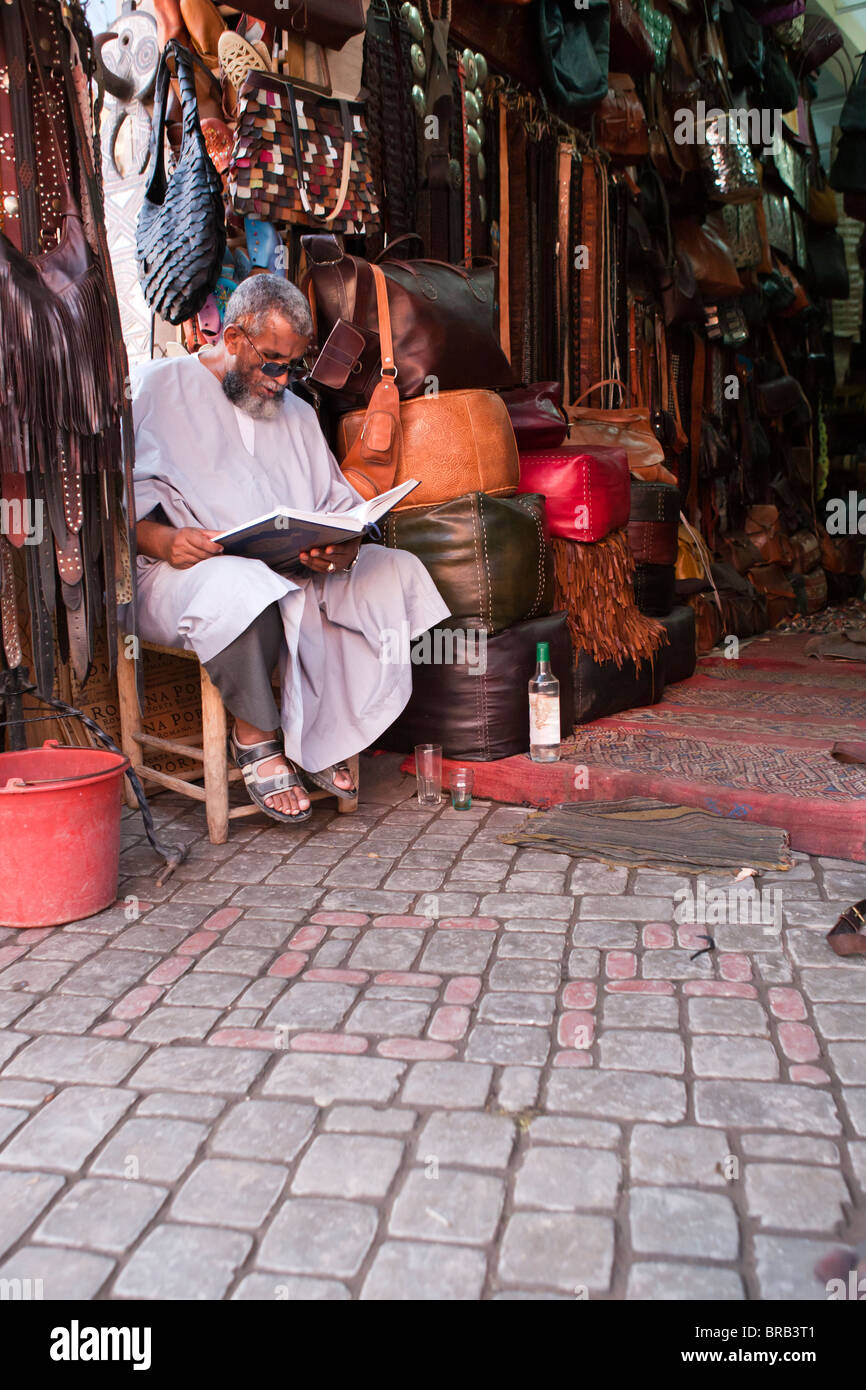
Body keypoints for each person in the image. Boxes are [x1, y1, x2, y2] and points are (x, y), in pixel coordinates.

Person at [130, 274, 449, 824]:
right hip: (179, 571)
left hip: (289, 571)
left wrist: (340, 549)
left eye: (293, 366)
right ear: (231, 339)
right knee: (243, 586)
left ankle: (319, 736)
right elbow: (112, 500)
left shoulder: (298, 412)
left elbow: (332, 507)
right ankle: (257, 737)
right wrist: (164, 539)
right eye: (271, 363)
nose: (281, 381)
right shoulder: (158, 388)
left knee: (393, 570)